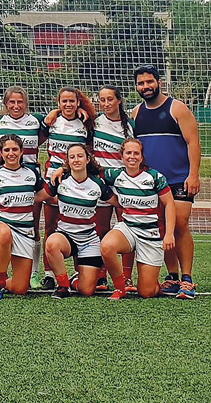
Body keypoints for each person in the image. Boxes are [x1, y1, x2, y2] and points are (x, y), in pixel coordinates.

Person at [132, 64, 201, 300]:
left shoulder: (177, 109)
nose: (146, 87)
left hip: (178, 179)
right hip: (152, 183)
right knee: (164, 228)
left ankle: (187, 279)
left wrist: (193, 175)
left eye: (149, 82)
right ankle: (172, 276)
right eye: (141, 83)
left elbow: (193, 143)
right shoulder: (136, 113)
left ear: (159, 82)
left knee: (179, 224)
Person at [0, 86, 48, 289]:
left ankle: (33, 274)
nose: (16, 105)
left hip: (30, 178)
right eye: (11, 102)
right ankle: (1, 278)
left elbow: (45, 134)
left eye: (20, 102)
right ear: (5, 104)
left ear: (25, 103)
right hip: (7, 178)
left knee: (34, 226)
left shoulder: (36, 120)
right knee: (6, 222)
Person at [0, 134, 50, 300]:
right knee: (4, 233)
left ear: (21, 152)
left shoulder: (32, 173)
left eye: (15, 149)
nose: (11, 153)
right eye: (6, 150)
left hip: (25, 232)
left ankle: (1, 281)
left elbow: (46, 194)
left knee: (20, 288)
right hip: (1, 224)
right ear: (0, 153)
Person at [100, 138, 176, 300]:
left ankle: (152, 282)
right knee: (107, 246)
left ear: (142, 157)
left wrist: (169, 233)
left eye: (136, 153)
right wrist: (62, 170)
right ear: (122, 156)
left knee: (146, 292)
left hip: (150, 234)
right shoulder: (115, 174)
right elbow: (88, 169)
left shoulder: (155, 177)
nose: (132, 157)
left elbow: (169, 204)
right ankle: (120, 287)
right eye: (128, 153)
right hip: (128, 229)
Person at [40, 87, 95, 290]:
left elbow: (89, 149)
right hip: (53, 178)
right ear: (58, 103)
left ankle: (76, 272)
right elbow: (37, 137)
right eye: (64, 101)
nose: (68, 105)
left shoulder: (85, 123)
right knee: (51, 225)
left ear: (78, 102)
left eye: (72, 101)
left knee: (78, 223)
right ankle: (49, 274)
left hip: (77, 180)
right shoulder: (51, 121)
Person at [44, 142, 113, 299]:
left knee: (86, 290)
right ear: (67, 161)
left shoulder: (97, 183)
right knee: (51, 243)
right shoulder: (61, 181)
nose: (76, 160)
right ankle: (63, 286)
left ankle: (74, 279)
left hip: (88, 239)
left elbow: (115, 201)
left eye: (80, 156)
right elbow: (41, 196)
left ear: (88, 159)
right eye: (72, 157)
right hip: (66, 236)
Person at [93, 85, 136, 291]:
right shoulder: (93, 123)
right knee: (100, 230)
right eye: (102, 100)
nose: (106, 103)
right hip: (100, 184)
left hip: (123, 184)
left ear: (119, 100)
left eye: (110, 99)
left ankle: (126, 277)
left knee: (127, 229)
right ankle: (101, 276)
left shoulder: (130, 126)